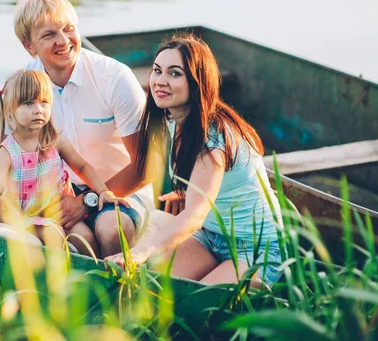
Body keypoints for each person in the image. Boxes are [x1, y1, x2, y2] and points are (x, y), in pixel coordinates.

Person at [0, 0, 155, 257]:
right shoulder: (25, 87)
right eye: (49, 35)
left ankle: (118, 294)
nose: (64, 41)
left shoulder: (115, 78)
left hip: (119, 190)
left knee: (112, 229)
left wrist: (86, 201)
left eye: (68, 28)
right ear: (29, 46)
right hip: (54, 192)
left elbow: (146, 165)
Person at [104, 34, 283, 286]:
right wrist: (187, 191)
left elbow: (195, 215)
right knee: (156, 290)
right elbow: (208, 182)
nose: (160, 81)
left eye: (175, 73)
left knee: (198, 304)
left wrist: (139, 252)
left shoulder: (214, 138)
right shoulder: (172, 120)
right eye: (157, 71)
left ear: (198, 82)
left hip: (255, 246)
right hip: (210, 234)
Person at [0, 69, 129, 255]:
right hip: (26, 214)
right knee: (52, 235)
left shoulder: (54, 141)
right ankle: (55, 276)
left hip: (58, 211)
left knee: (86, 238)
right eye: (29, 103)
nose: (38, 109)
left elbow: (82, 166)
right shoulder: (8, 151)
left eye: (44, 102)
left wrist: (103, 190)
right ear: (10, 112)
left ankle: (88, 277)